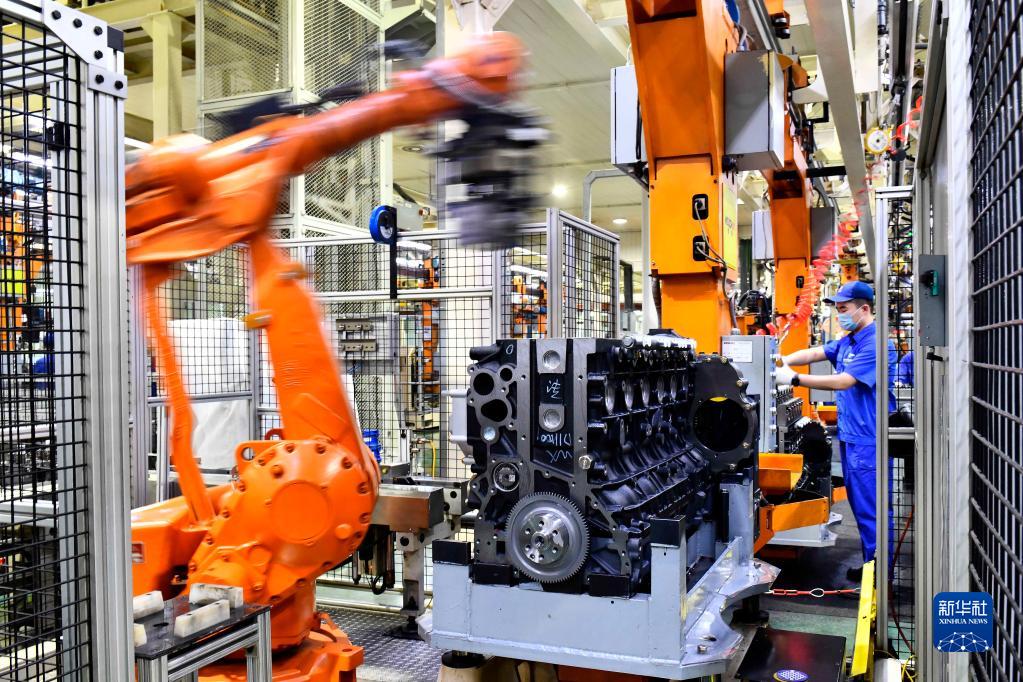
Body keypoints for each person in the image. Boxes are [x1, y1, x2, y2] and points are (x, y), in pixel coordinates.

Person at [773, 281, 896, 570]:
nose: (839, 315)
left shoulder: (876, 343)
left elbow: (844, 382)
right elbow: (815, 353)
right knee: (861, 506)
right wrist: (780, 360)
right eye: (837, 309)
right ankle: (871, 567)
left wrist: (794, 379)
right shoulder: (849, 340)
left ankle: (881, 575)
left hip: (870, 440)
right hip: (852, 437)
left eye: (844, 309)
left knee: (873, 510)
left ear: (864, 309)